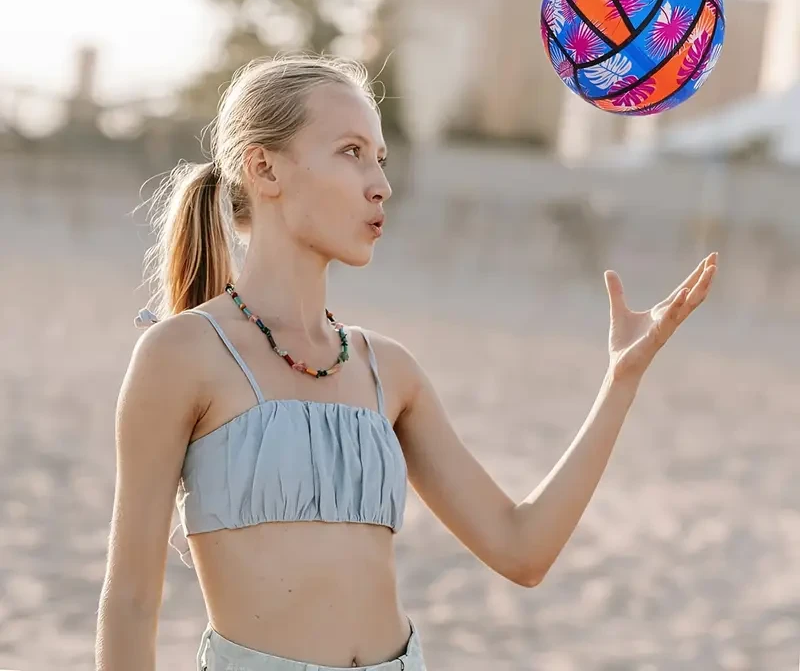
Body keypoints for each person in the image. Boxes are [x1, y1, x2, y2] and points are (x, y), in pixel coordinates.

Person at [95, 54, 717, 671]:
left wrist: (621, 379)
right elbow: (129, 604)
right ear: (265, 168)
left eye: (381, 159)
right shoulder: (181, 355)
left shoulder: (388, 371)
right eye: (351, 151)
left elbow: (522, 549)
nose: (381, 184)